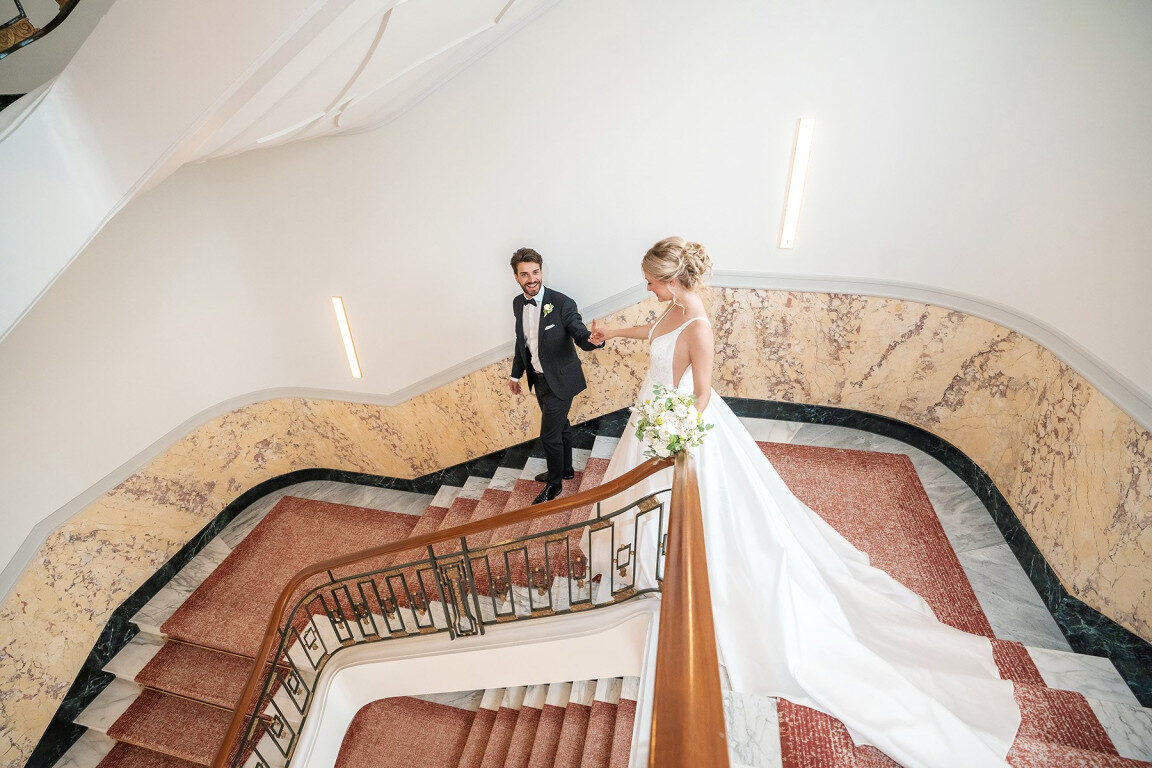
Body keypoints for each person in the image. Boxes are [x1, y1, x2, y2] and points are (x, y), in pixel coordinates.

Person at [587, 236, 1022, 768]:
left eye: (652, 282)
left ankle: (674, 580)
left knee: (711, 520)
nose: (648, 289)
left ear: (672, 281)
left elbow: (700, 394)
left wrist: (678, 436)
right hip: (651, 415)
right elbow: (655, 334)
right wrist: (614, 332)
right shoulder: (672, 308)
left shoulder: (697, 324)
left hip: (677, 427)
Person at [507, 247, 604, 505]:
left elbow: (578, 332)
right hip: (538, 380)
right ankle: (566, 469)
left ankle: (555, 483)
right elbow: (521, 342)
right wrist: (516, 376)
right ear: (516, 277)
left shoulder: (562, 303)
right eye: (525, 274)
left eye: (535, 272)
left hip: (561, 380)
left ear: (542, 271)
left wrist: (592, 340)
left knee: (549, 436)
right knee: (561, 427)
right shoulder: (518, 304)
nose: (532, 279)